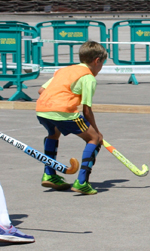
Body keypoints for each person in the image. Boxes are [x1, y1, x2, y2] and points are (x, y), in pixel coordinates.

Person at [36, 41, 107, 195]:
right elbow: (87, 111)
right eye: (102, 64)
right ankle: (82, 182)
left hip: (42, 109)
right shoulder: (88, 77)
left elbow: (41, 90)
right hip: (63, 111)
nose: (100, 69)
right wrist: (97, 132)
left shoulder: (65, 70)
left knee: (53, 134)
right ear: (97, 61)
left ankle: (49, 174)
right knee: (93, 139)